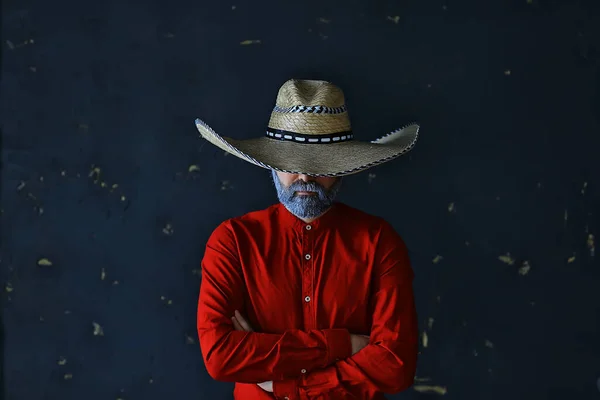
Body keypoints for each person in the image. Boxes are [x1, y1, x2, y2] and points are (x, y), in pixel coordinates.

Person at [195, 79, 421, 399]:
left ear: (342, 169)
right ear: (271, 167)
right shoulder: (232, 241)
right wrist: (343, 345)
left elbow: (395, 364)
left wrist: (288, 385)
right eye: (290, 164)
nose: (305, 177)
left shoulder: (379, 242)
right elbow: (220, 356)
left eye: (320, 165)